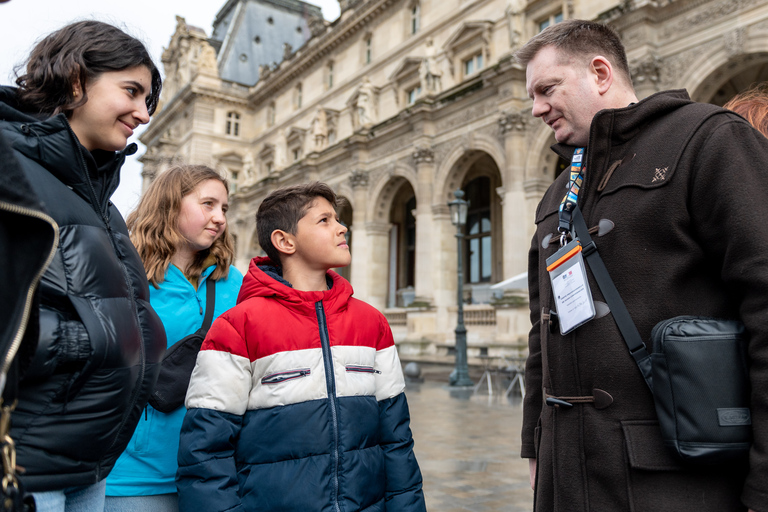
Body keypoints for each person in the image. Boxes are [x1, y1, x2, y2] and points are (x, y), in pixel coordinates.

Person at [515, 19, 768, 512]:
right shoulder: (556, 193)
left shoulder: (707, 139)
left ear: (601, 72)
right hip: (567, 476)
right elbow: (540, 331)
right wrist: (534, 444)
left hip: (675, 480)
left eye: (547, 89)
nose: (536, 108)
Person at [176, 182, 426, 512]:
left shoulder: (372, 323)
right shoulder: (238, 327)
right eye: (325, 220)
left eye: (337, 219)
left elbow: (396, 442)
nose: (342, 227)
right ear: (285, 241)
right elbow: (206, 452)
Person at [0, 20, 167, 511]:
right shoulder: (10, 166)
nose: (143, 114)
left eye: (148, 101)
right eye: (131, 92)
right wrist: (80, 342)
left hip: (87, 465)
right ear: (76, 81)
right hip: (24, 466)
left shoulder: (104, 201)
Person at [104, 165, 244, 511]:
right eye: (208, 204)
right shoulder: (122, 274)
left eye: (224, 208)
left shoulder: (234, 283)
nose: (219, 218)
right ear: (170, 205)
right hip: (133, 474)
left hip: (215, 471)